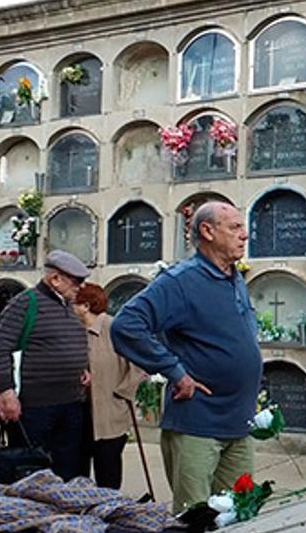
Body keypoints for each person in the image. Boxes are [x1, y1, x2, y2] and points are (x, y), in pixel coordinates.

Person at [111, 201, 263, 512]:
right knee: (195, 518)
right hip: (199, 425)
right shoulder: (181, 281)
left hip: (239, 424)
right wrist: (175, 371)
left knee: (240, 513)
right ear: (207, 231)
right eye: (234, 227)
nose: (244, 235)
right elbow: (127, 326)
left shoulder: (233, 276)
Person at [0, 250, 91, 480]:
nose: (81, 287)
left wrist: (81, 367)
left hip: (71, 403)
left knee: (68, 471)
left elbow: (62, 343)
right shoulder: (26, 303)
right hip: (35, 409)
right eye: (77, 281)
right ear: (55, 279)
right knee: (32, 474)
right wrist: (6, 393)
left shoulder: (68, 306)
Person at [73, 283, 146, 489]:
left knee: (108, 476)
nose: (70, 308)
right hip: (78, 416)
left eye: (73, 303)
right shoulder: (74, 331)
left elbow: (141, 365)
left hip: (110, 417)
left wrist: (122, 393)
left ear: (85, 306)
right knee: (77, 478)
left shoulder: (115, 329)